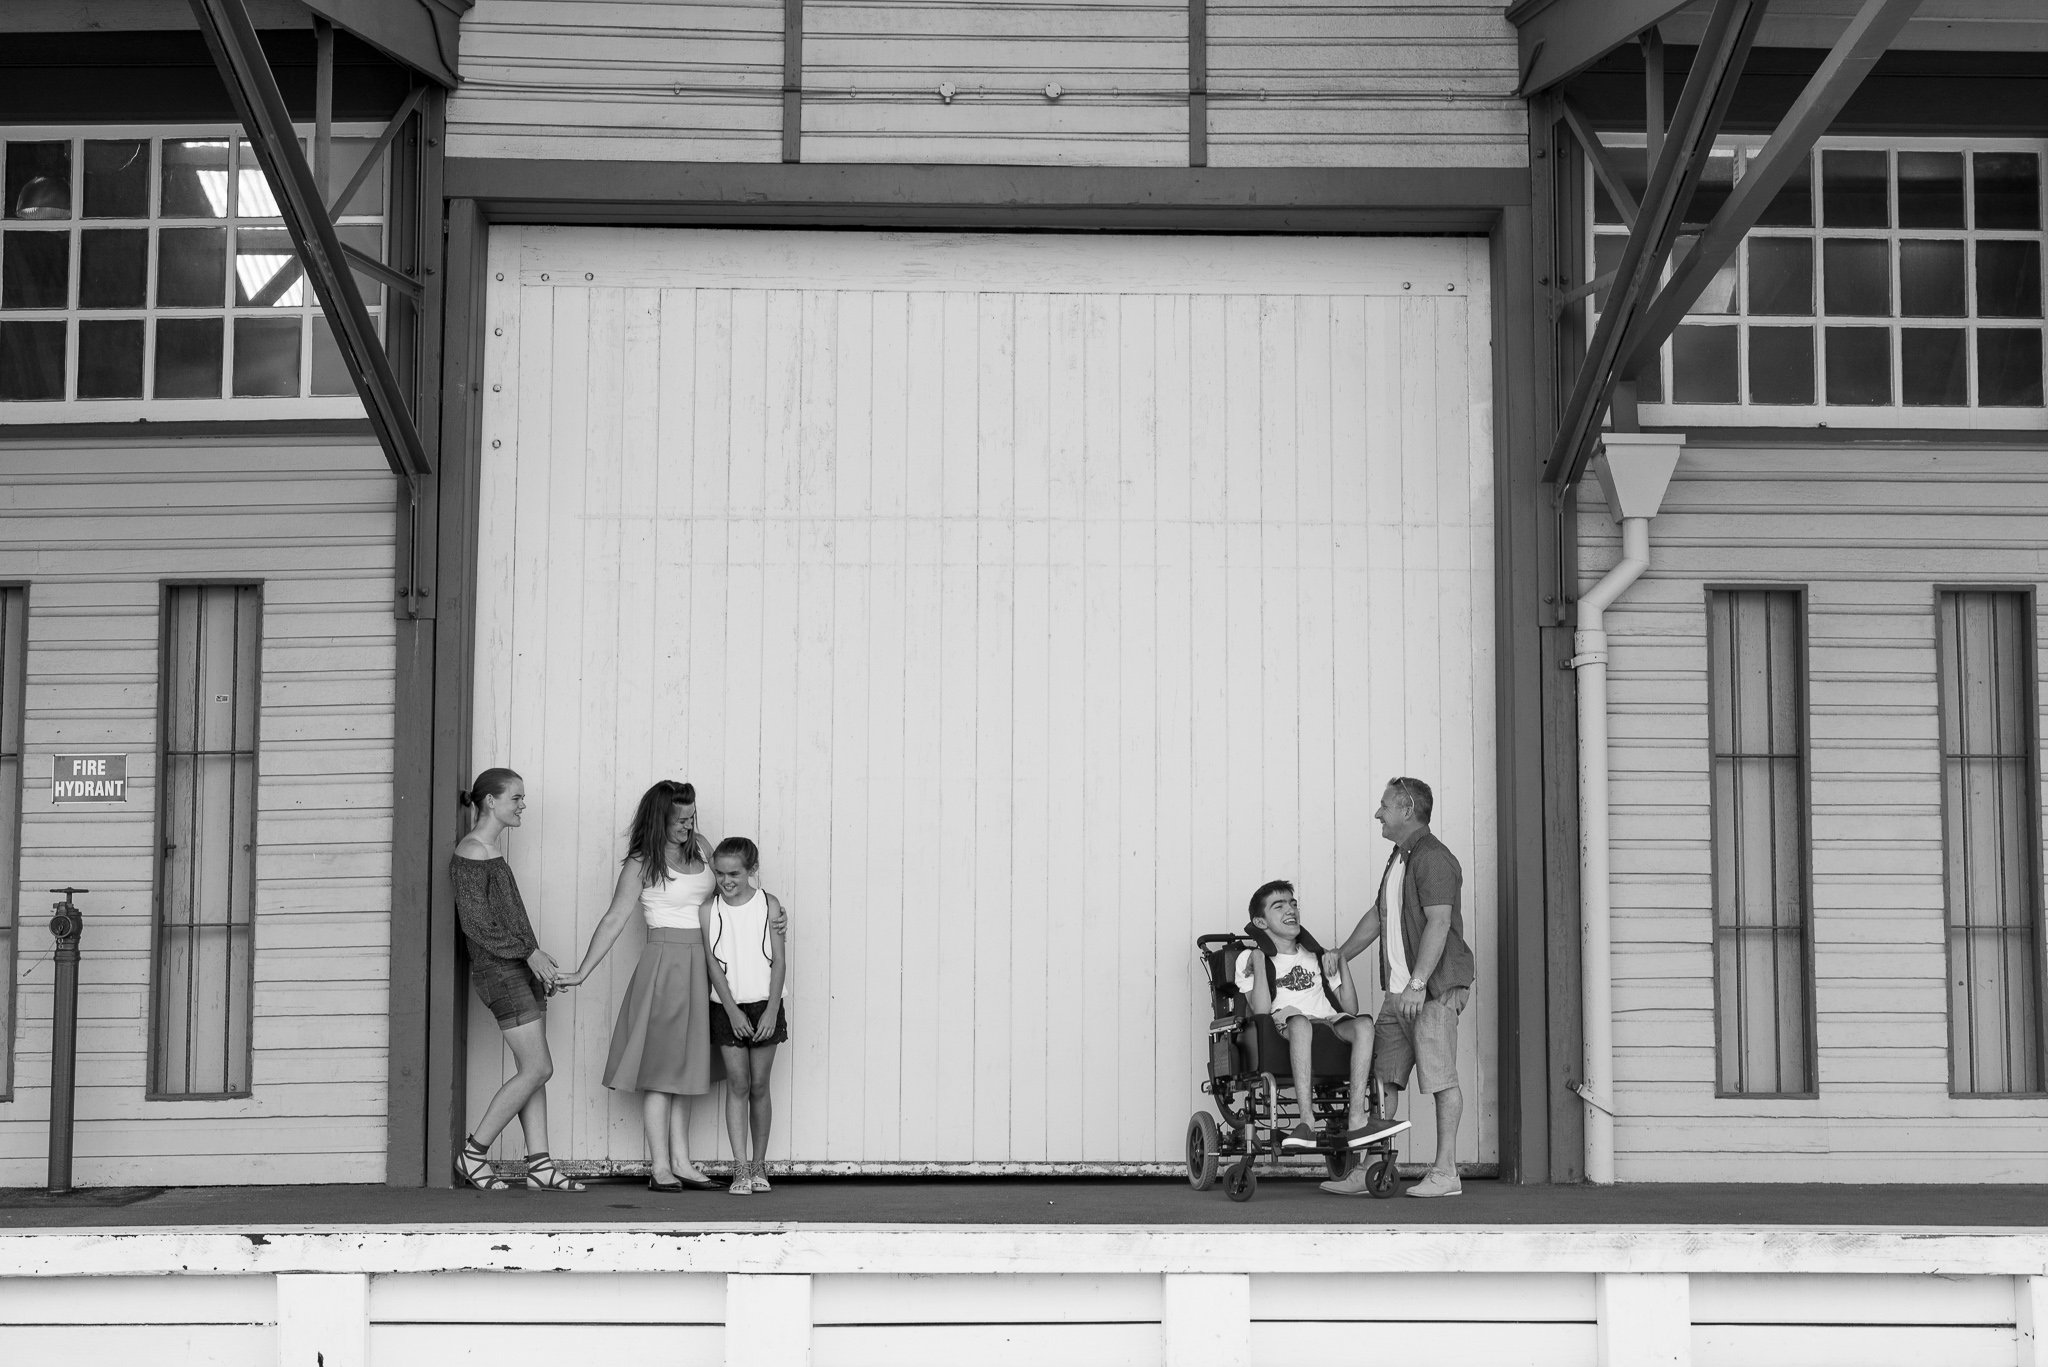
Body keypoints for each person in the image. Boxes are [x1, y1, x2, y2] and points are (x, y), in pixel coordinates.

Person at [559, 780, 723, 1191]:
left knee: (690, 1064)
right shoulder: (641, 862)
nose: (688, 825)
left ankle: (683, 1163)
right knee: (662, 1069)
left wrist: (773, 913)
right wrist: (582, 972)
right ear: (659, 818)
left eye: (691, 817)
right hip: (665, 964)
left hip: (704, 964)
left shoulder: (702, 847)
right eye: (680, 819)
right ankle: (660, 1167)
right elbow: (614, 918)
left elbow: (731, 895)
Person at [1320, 776, 1475, 1198]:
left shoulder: (1434, 859)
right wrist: (1343, 953)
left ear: (1407, 809)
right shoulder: (1399, 856)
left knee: (1441, 1079)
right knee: (1383, 1079)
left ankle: (1446, 1173)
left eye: (1384, 806)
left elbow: (1439, 922)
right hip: (1399, 992)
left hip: (1429, 989)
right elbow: (1380, 913)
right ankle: (1372, 1166)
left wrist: (1419, 983)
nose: (1378, 813)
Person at [449, 767, 585, 1191]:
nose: (523, 805)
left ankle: (540, 1165)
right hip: (500, 972)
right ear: (490, 801)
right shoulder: (471, 852)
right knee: (538, 1067)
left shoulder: (489, 849)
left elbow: (507, 919)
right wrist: (530, 953)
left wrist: (536, 964)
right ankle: (473, 1155)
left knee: (533, 1069)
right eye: (516, 798)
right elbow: (478, 926)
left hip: (518, 969)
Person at [1235, 880, 1410, 1157]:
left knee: (1364, 1025)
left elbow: (1350, 1008)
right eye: (1278, 906)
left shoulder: (1315, 955)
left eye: (1293, 903)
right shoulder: (1250, 958)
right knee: (1302, 1023)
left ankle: (1356, 1120)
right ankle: (1306, 1121)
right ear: (1260, 921)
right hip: (1287, 1021)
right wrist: (1258, 959)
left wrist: (1340, 959)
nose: (1290, 909)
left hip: (1326, 1019)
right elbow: (1260, 1010)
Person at [702, 837, 788, 1196]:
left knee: (758, 1086)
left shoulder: (769, 905)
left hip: (765, 1005)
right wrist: (732, 1010)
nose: (726, 880)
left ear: (752, 870)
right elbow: (712, 967)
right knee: (737, 1086)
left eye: (734, 873)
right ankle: (740, 1168)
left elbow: (779, 962)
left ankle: (758, 1164)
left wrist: (770, 1009)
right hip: (727, 1008)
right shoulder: (709, 910)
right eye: (719, 873)